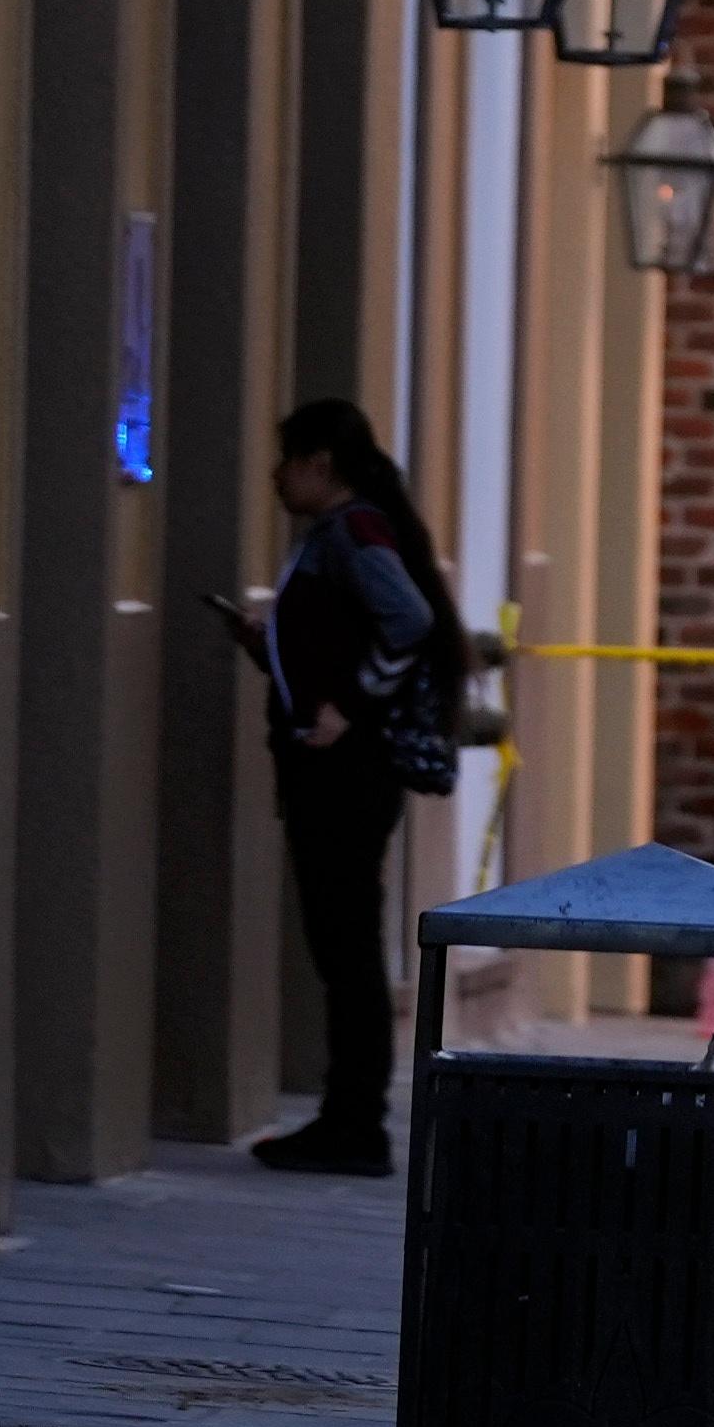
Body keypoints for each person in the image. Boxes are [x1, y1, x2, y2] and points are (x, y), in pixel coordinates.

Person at [228, 398, 461, 1176]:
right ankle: (349, 1118)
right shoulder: (338, 533)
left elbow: (410, 621)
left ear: (319, 462)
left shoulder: (352, 532)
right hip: (334, 770)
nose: (275, 475)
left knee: (347, 947)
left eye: (286, 459)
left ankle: (355, 1123)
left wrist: (349, 706)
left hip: (344, 776)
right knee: (343, 945)